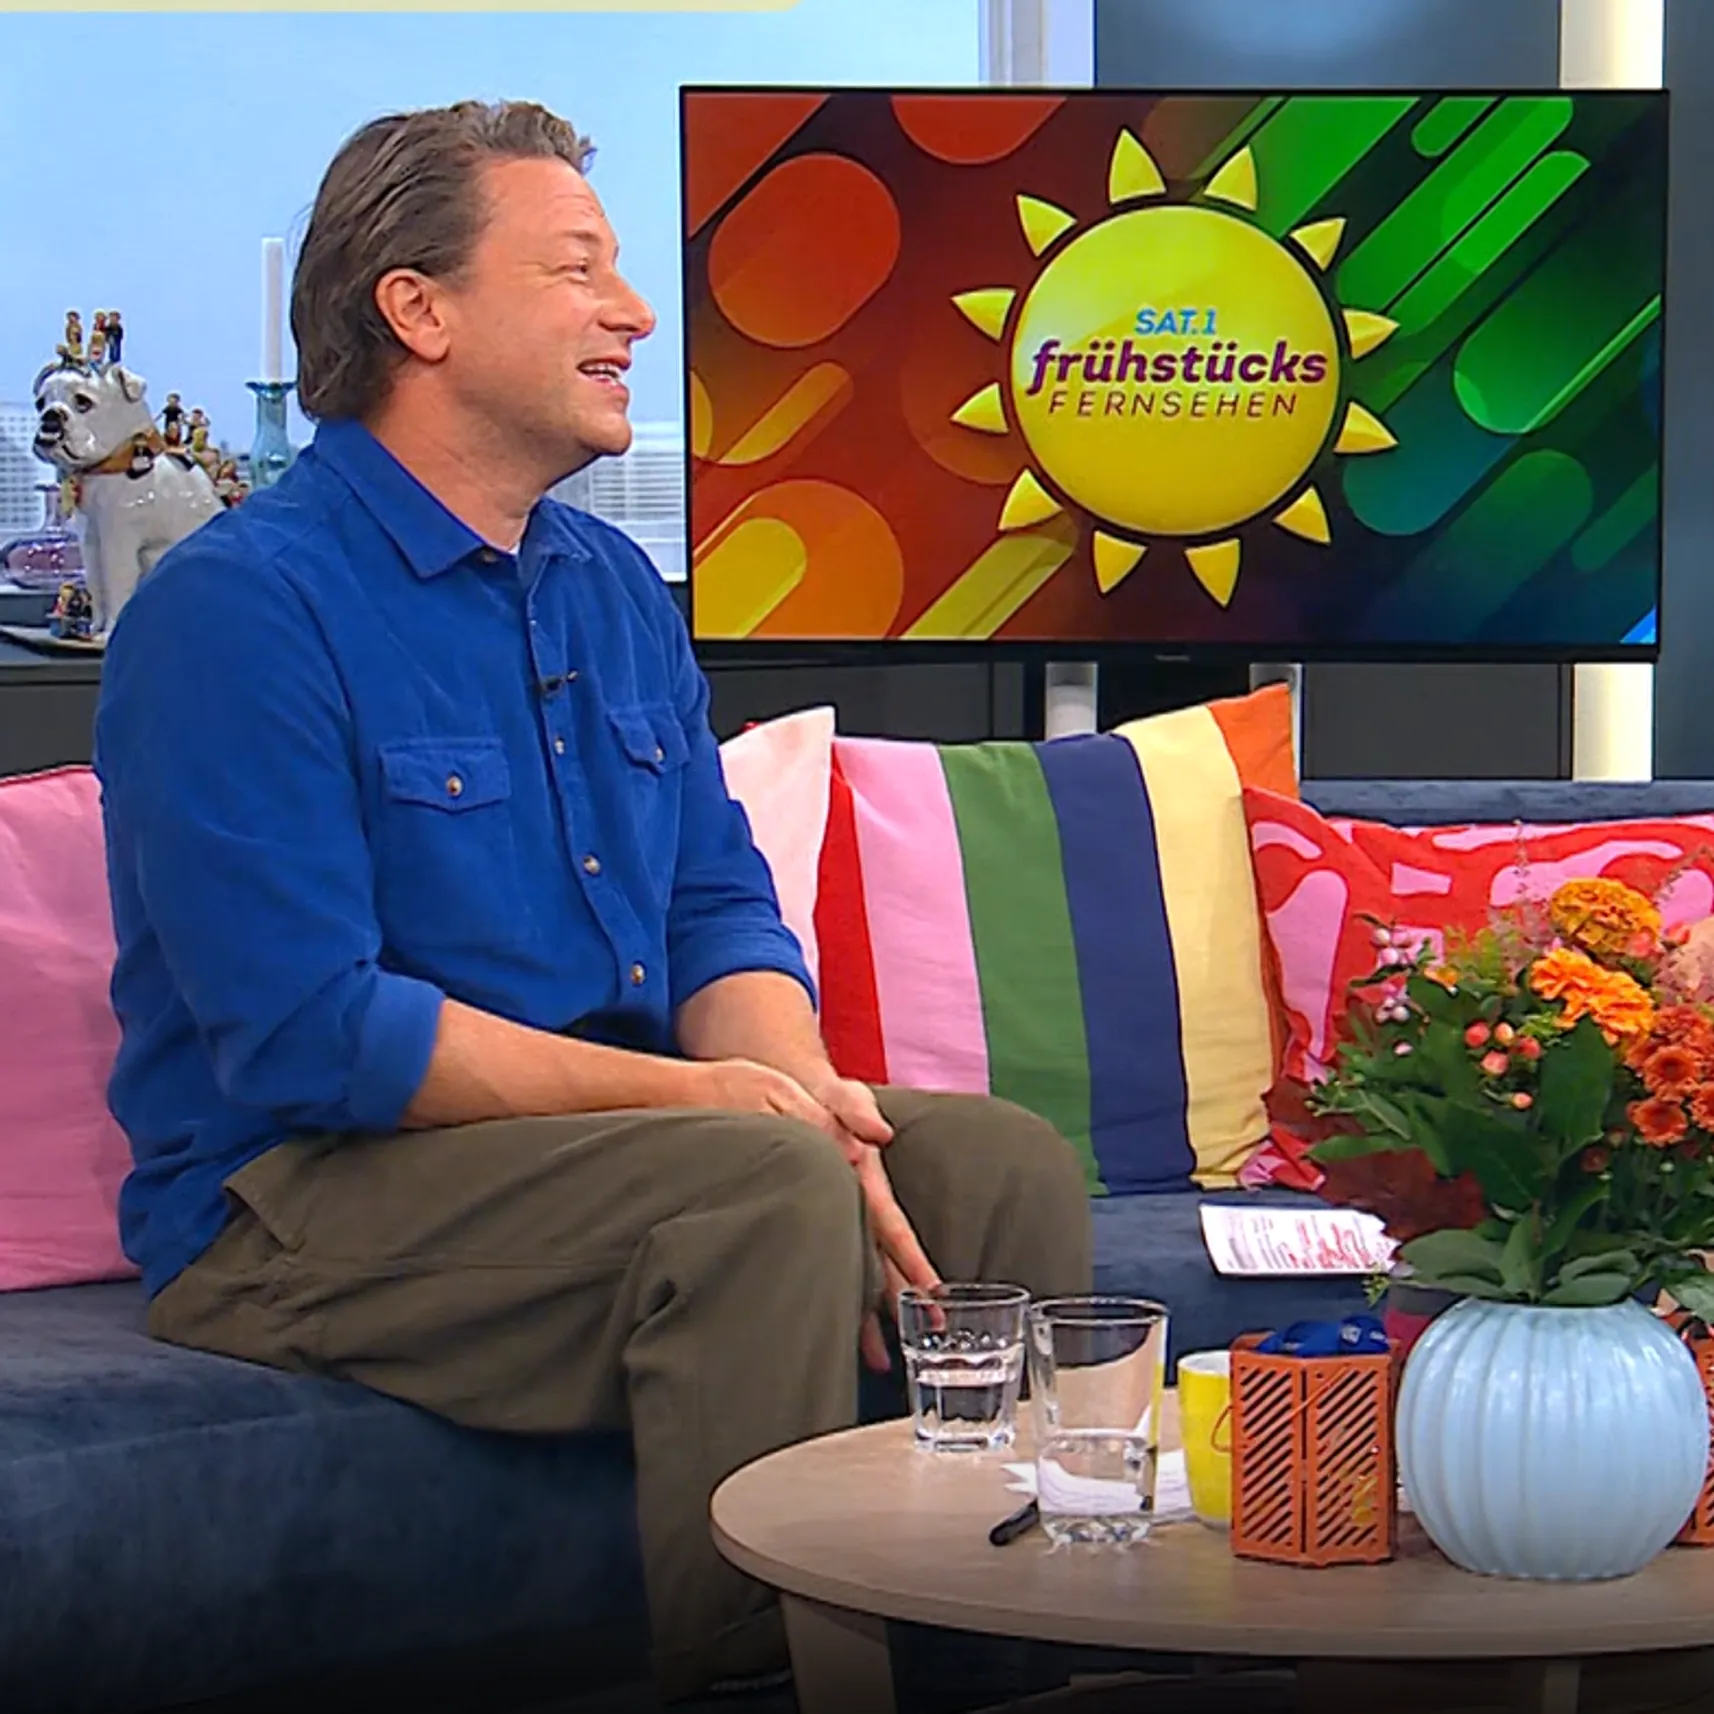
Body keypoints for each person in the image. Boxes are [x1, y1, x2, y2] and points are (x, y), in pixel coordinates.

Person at [94, 100, 1093, 1705]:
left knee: (989, 1164)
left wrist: (807, 1097)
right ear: (416, 310)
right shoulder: (236, 608)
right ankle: (759, 1677)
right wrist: (725, 1112)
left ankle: (1004, 1657)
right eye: (576, 269)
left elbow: (713, 910)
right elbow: (310, 1034)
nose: (633, 311)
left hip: (616, 1156)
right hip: (295, 1198)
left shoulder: (609, 584)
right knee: (755, 1184)